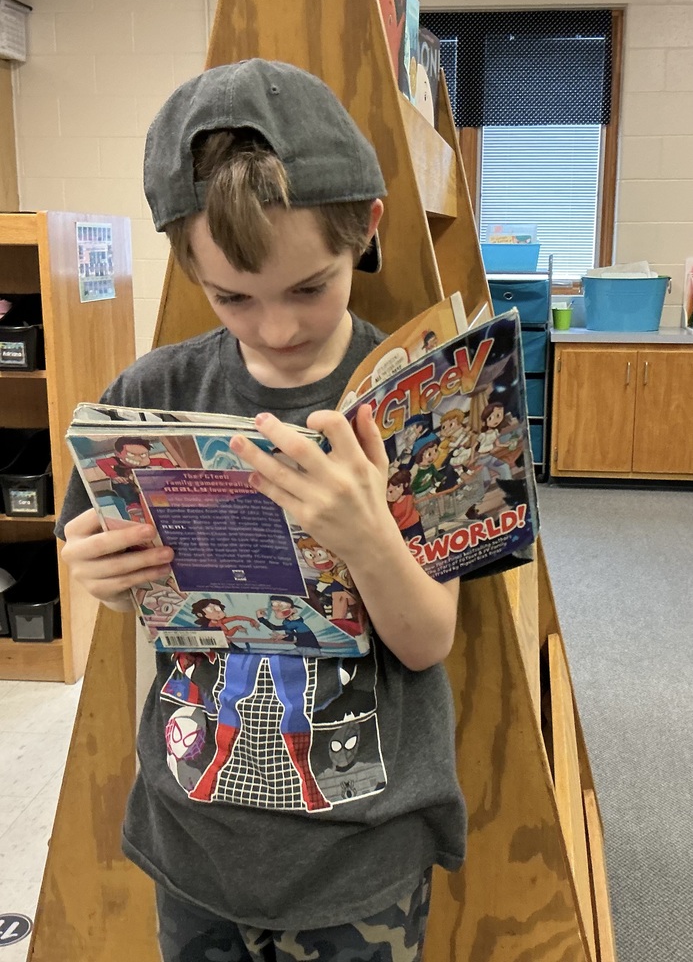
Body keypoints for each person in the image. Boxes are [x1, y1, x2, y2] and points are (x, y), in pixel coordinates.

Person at [56, 59, 466, 962]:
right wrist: (104, 577)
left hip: (361, 854)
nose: (277, 329)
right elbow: (124, 590)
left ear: (366, 229)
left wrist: (365, 537)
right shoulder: (152, 394)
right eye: (232, 298)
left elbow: (427, 640)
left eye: (309, 287)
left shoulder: (411, 400)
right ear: (187, 264)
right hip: (194, 836)